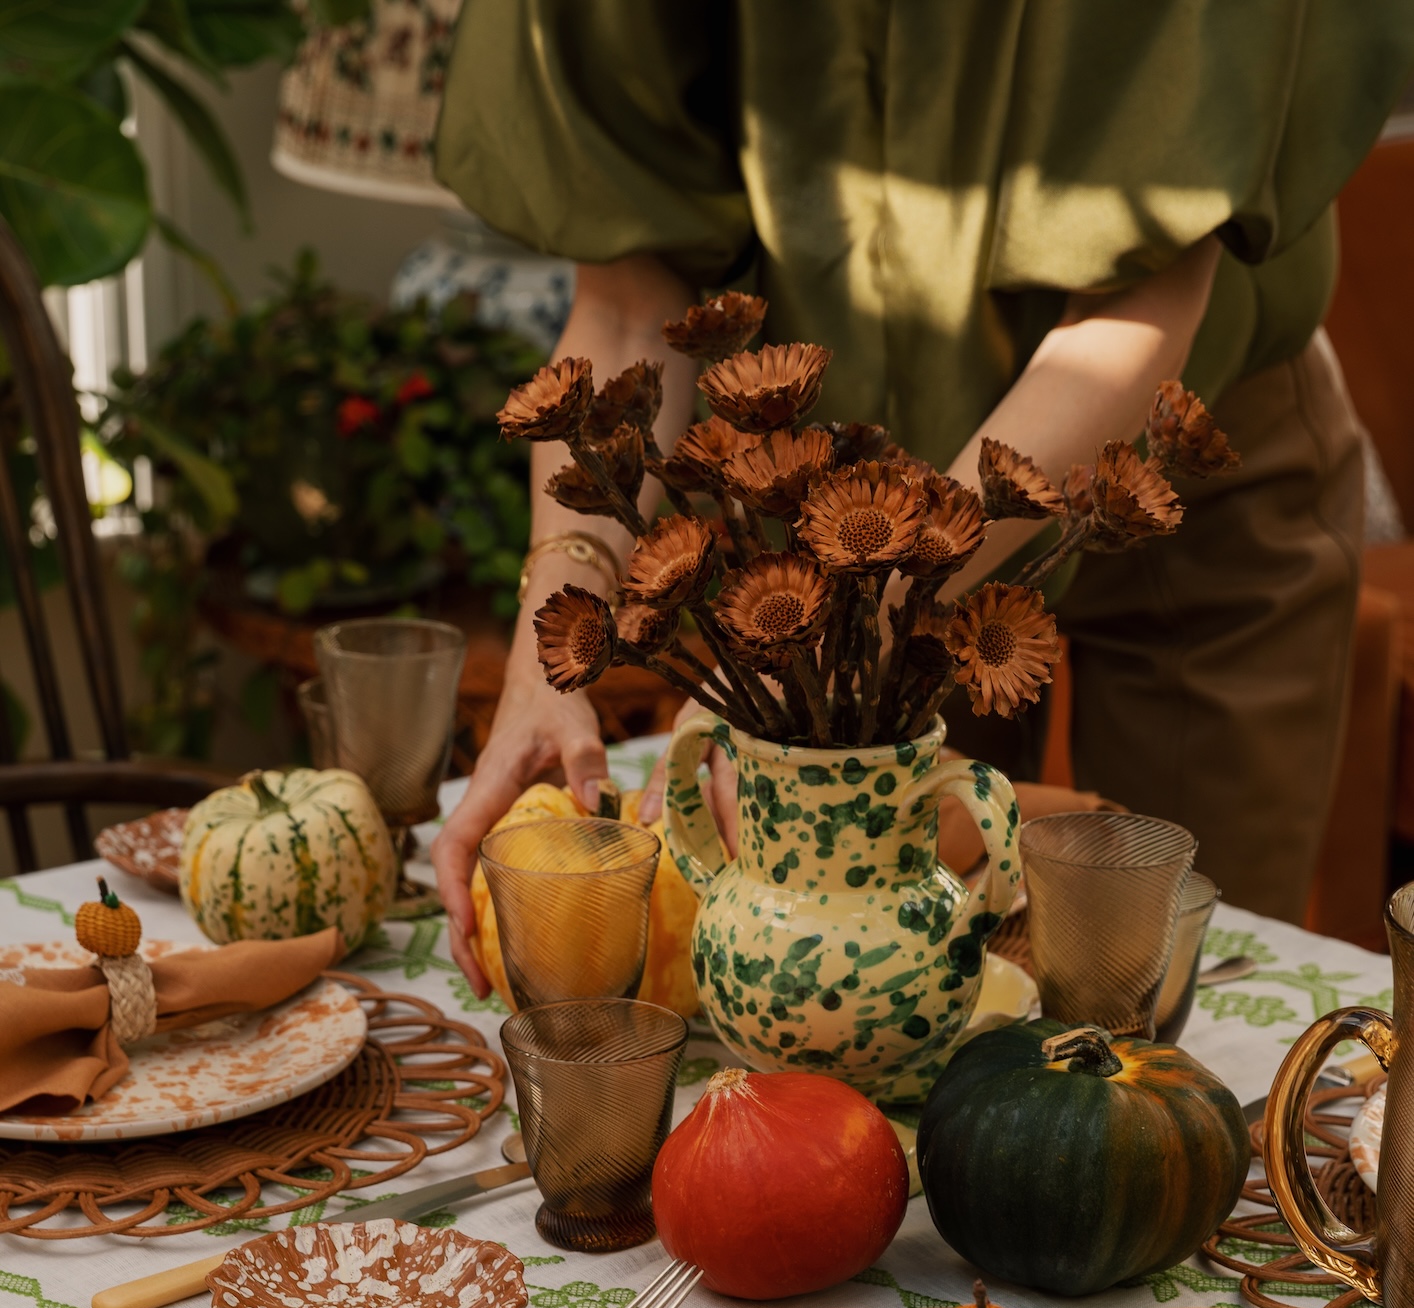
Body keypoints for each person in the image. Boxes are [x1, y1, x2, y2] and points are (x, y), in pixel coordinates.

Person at [431, 2, 1414, 993]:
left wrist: (818, 653)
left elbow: (1131, 317)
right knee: (868, 1012)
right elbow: (628, 299)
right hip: (835, 515)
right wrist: (550, 653)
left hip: (1174, 464)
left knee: (1161, 1021)